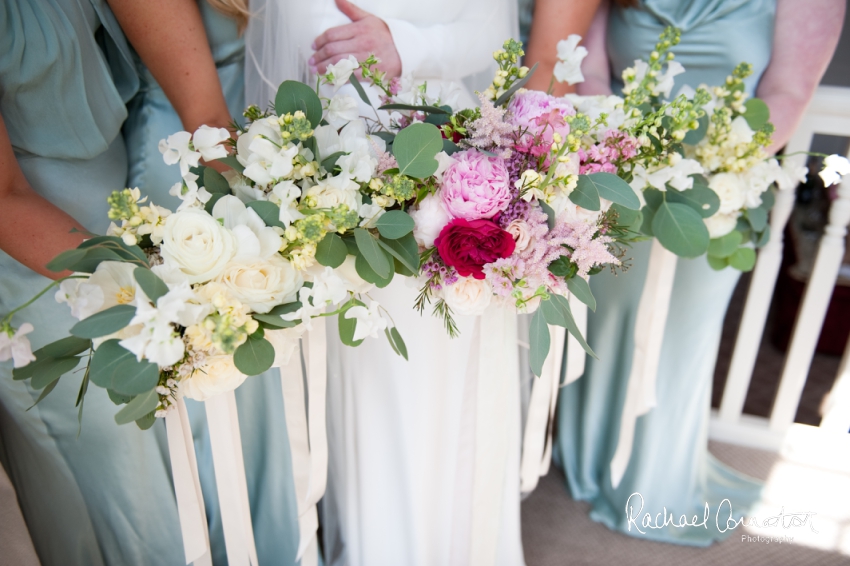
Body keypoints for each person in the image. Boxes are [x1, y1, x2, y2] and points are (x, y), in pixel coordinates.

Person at [524, 0, 844, 545]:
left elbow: (787, 92)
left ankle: (657, 487)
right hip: (625, 187)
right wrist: (625, 156)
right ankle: (590, 465)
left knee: (680, 338)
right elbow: (595, 72)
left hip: (715, 197)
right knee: (607, 323)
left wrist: (716, 169)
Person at [246, 0, 520, 564]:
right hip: (358, 159)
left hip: (468, 151)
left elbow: (492, 31)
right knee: (386, 382)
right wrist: (408, 45)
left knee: (465, 369)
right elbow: (319, 36)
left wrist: (404, 43)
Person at [0, 1, 190, 563]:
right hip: (34, 255)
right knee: (117, 484)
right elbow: (4, 198)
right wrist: (143, 285)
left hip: (119, 206)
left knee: (178, 450)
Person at [116, 1, 303, 563]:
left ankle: (277, 545)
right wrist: (266, 207)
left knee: (262, 382)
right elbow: (205, 115)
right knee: (215, 388)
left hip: (256, 146)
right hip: (197, 160)